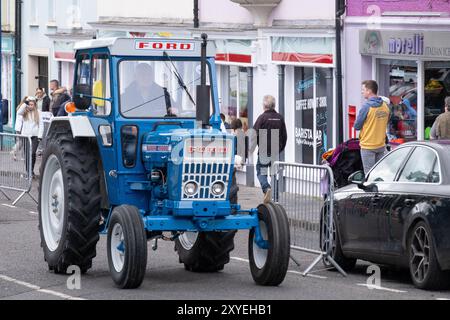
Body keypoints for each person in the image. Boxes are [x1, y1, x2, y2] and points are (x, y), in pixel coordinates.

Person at [252, 95, 288, 203]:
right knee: (274, 174)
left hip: (264, 150)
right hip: (275, 151)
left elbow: (254, 134)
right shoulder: (280, 118)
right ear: (274, 105)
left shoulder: (262, 118)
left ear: (264, 105)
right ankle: (275, 198)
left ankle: (266, 188)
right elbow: (284, 136)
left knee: (261, 172)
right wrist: (279, 149)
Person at [354, 80, 390, 175]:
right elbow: (386, 121)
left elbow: (357, 126)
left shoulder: (366, 107)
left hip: (368, 146)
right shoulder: (385, 106)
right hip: (381, 146)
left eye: (363, 89)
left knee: (369, 175)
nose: (362, 92)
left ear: (369, 91)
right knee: (381, 175)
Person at [15, 97, 44, 178]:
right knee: (27, 154)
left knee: (32, 153)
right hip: (26, 136)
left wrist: (40, 136)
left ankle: (31, 170)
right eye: (29, 104)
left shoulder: (38, 112)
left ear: (35, 105)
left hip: (35, 136)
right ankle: (29, 172)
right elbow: (18, 112)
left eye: (32, 105)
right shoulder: (24, 111)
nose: (30, 106)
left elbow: (41, 125)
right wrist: (25, 103)